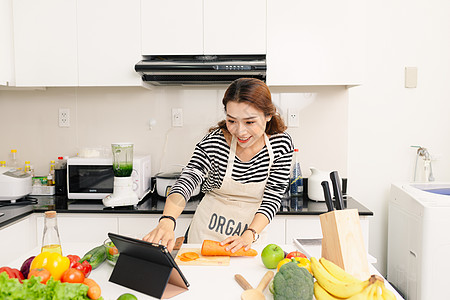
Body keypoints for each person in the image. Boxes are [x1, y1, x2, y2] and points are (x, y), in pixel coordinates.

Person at [143, 78, 294, 253]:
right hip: (204, 235)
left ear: (268, 116)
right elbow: (189, 178)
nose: (240, 131)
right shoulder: (215, 141)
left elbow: (273, 196)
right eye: (232, 121)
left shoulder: (281, 145)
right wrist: (167, 220)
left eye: (250, 122)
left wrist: (250, 234)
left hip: (250, 236)